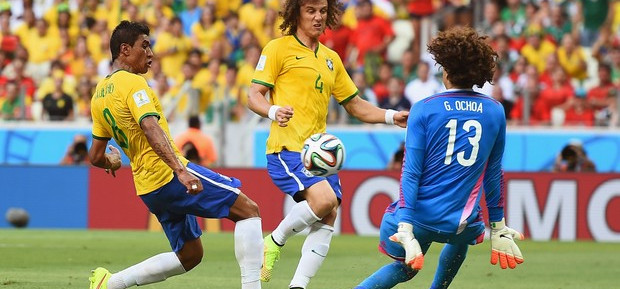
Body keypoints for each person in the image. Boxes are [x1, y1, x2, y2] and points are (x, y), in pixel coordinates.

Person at [87, 21, 263, 289]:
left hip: (148, 188)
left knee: (190, 255)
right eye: (144, 46)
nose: (151, 53)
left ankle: (111, 284)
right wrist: (180, 170)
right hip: (168, 175)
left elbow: (95, 155)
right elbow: (149, 125)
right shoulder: (133, 83)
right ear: (124, 49)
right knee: (248, 210)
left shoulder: (99, 94)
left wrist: (110, 161)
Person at [247, 0, 409, 288]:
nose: (318, 17)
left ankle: (298, 285)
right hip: (287, 147)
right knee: (325, 201)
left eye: (323, 11)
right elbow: (253, 95)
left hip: (316, 155)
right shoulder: (277, 49)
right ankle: (273, 241)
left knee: (329, 214)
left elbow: (355, 105)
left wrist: (390, 115)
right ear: (297, 13)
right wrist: (273, 111)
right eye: (311, 11)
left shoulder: (331, 58)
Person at [355, 26, 524, 289]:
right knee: (463, 236)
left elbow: (411, 171)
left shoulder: (423, 109)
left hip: (419, 217)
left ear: (445, 69)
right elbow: (493, 174)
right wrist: (498, 225)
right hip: (460, 221)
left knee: (404, 270)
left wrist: (406, 224)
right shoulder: (495, 111)